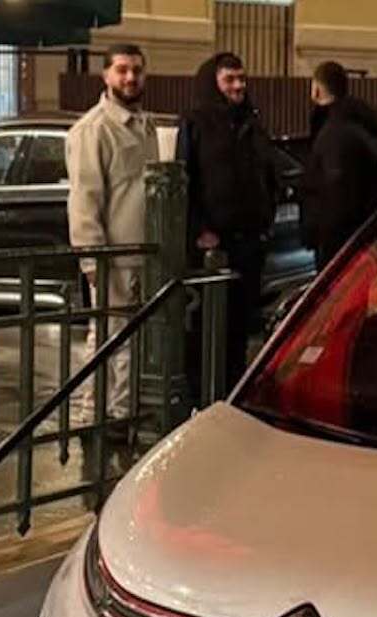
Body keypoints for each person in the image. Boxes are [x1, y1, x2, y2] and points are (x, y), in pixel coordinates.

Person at [65, 44, 160, 428]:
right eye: (121, 69)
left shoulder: (144, 124)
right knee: (109, 336)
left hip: (142, 253)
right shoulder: (93, 130)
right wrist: (92, 260)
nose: (130, 77)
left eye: (136, 70)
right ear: (105, 75)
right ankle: (102, 415)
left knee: (127, 338)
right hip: (113, 257)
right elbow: (85, 201)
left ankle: (118, 412)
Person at [178, 52, 280, 376]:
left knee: (239, 326)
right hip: (213, 246)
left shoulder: (251, 122)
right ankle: (204, 389)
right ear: (214, 83)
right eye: (229, 80)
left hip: (249, 243)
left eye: (241, 79)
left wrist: (265, 221)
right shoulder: (195, 123)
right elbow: (185, 180)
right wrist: (200, 230)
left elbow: (267, 173)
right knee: (208, 326)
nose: (238, 86)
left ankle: (233, 385)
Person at [301, 61, 377, 267]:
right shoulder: (355, 127)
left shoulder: (334, 134)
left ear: (317, 89)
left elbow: (335, 193)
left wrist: (318, 235)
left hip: (337, 243)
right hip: (357, 235)